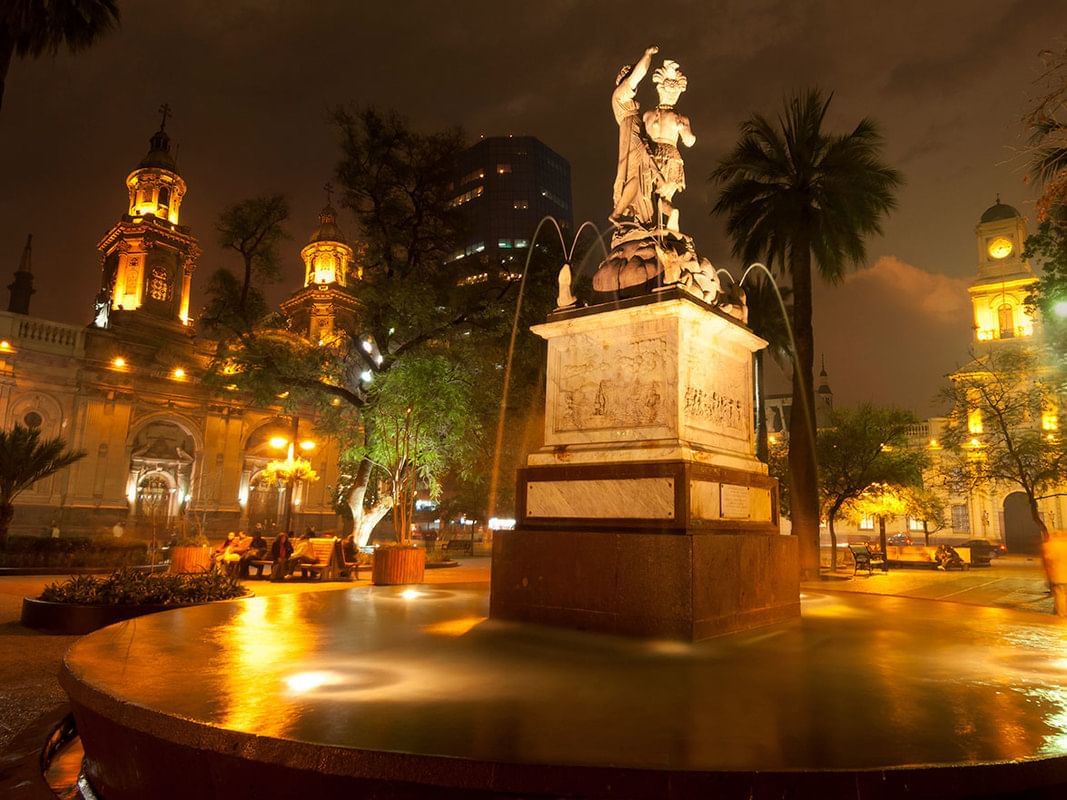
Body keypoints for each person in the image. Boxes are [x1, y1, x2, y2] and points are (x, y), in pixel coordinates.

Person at [610, 45, 659, 225]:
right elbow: (638, 74)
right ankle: (617, 213)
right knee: (637, 177)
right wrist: (647, 56)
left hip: (635, 136)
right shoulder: (621, 93)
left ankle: (640, 218)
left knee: (642, 178)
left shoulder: (625, 99)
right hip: (632, 138)